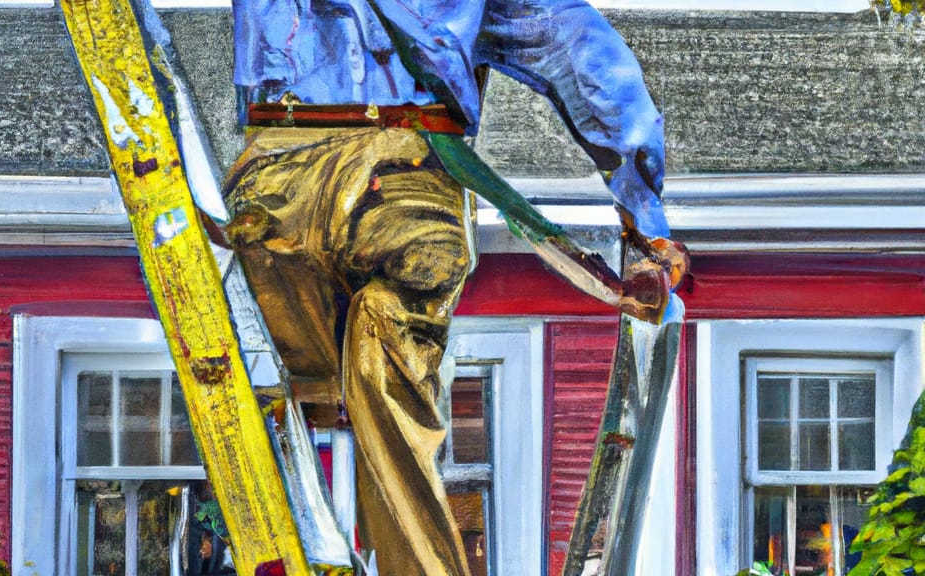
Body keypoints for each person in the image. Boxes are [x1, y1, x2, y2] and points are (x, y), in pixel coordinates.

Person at [221, 1, 687, 574]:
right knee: (359, 348)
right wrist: (644, 218)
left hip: (333, 177)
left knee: (346, 349)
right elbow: (579, 48)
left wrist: (643, 211)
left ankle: (329, 401)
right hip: (341, 172)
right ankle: (333, 405)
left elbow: (576, 47)